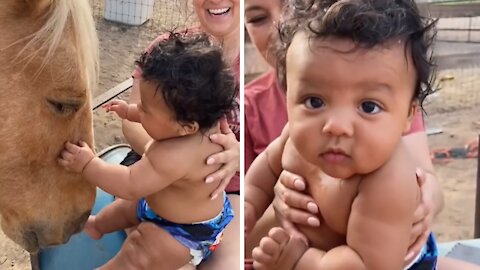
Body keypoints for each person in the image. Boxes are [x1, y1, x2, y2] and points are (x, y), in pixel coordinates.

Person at [245, 1, 480, 269]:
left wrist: (297, 260)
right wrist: (250, 205)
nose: (336, 125)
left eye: (369, 106)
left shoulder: (388, 180)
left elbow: (365, 265)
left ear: (407, 116)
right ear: (288, 96)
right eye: (314, 101)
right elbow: (263, 174)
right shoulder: (294, 140)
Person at [59, 32, 236, 269]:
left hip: (184, 233)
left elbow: (130, 184)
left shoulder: (174, 156)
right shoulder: (193, 119)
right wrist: (129, 111)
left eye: (145, 110)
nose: (138, 110)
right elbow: (155, 116)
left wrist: (87, 165)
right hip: (160, 204)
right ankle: (97, 226)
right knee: (125, 207)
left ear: (186, 127)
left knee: (138, 252)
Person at [120, 1, 241, 269]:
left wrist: (239, 155)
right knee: (147, 254)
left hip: (220, 192)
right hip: (149, 175)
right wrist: (169, 161)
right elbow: (133, 122)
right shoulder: (165, 50)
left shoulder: (253, 61)